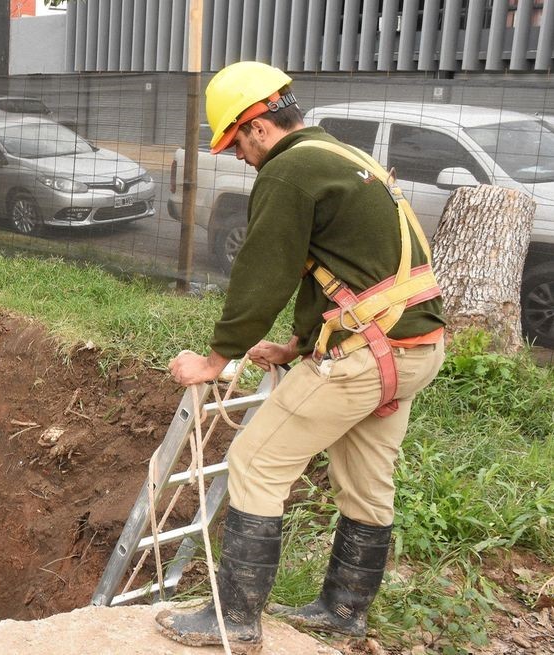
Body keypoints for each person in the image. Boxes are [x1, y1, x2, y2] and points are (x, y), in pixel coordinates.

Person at [158, 61, 447, 653]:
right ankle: (343, 614)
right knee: (368, 487)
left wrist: (214, 361)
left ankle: (232, 620)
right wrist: (296, 345)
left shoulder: (289, 171)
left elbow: (262, 274)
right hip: (413, 347)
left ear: (258, 126)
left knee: (256, 464)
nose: (238, 156)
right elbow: (347, 273)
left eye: (235, 142)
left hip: (363, 357)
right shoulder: (342, 157)